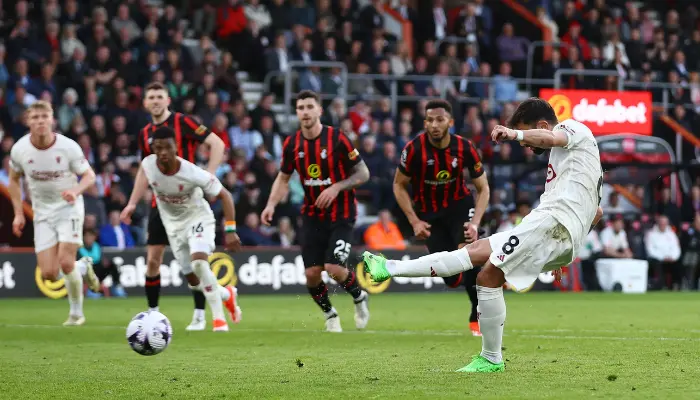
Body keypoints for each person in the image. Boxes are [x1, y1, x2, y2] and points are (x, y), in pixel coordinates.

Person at [361, 97, 604, 372]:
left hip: (552, 223)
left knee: (484, 270)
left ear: (544, 125)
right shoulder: (579, 163)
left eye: (529, 135)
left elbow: (552, 138)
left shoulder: (574, 129)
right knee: (479, 262)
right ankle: (388, 268)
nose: (525, 146)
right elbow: (596, 213)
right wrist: (564, 251)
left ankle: (490, 358)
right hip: (557, 231)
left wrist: (514, 134)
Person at [261, 90, 371, 332]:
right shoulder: (292, 143)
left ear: (320, 110)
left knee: (333, 269)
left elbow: (363, 173)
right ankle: (330, 314)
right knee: (312, 274)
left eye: (310, 106)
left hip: (342, 213)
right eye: (300, 108)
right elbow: (283, 178)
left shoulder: (337, 138)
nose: (305, 112)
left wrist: (336, 187)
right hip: (312, 215)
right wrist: (270, 205)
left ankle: (359, 297)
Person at [120, 81, 226, 331]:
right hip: (162, 205)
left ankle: (200, 314)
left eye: (160, 96)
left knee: (195, 260)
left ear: (168, 100)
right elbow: (144, 172)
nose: (155, 101)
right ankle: (152, 316)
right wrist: (132, 203)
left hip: (190, 203)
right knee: (153, 261)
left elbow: (218, 144)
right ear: (145, 103)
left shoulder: (184, 122)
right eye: (151, 97)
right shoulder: (145, 133)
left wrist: (208, 176)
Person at [394, 99, 490, 336]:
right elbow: (398, 185)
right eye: (429, 120)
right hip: (430, 216)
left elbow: (483, 188)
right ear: (425, 122)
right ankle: (458, 279)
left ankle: (477, 314)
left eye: (439, 119)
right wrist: (414, 220)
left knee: (467, 252)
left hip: (460, 207)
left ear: (450, 122)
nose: (434, 125)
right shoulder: (414, 149)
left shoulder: (465, 147)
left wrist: (476, 222)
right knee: (451, 276)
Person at [8, 100, 101, 326]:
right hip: (42, 213)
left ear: (52, 119)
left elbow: (89, 176)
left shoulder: (68, 147)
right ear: (28, 121)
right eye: (35, 117)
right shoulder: (20, 149)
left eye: (44, 117)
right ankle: (83, 266)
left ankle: (76, 313)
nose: (40, 121)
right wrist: (18, 213)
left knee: (65, 262)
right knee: (49, 273)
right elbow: (13, 179)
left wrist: (75, 190)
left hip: (68, 208)